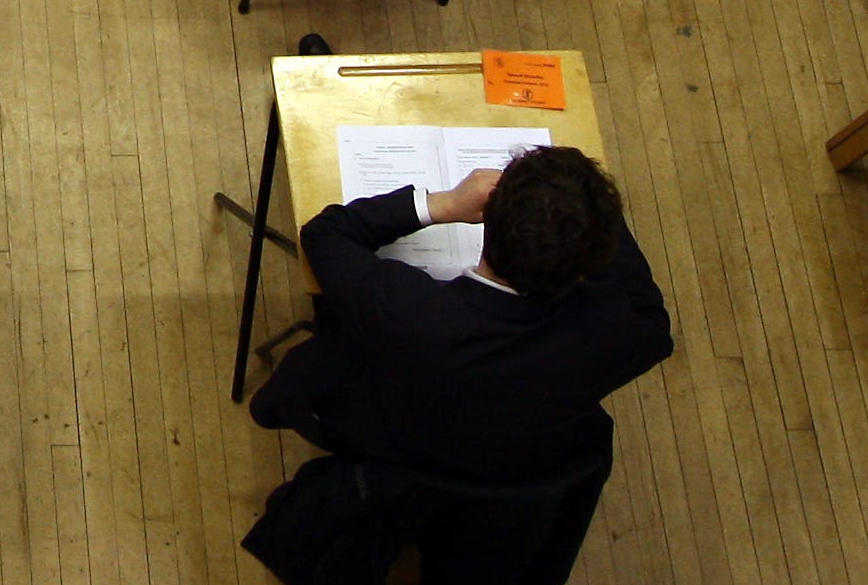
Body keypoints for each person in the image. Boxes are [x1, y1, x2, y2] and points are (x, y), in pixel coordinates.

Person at [251, 145, 673, 481]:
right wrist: (587, 211)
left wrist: (445, 204)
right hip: (514, 467)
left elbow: (326, 234)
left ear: (488, 216)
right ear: (592, 263)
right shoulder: (617, 334)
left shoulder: (406, 310)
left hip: (395, 439)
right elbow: (653, 319)